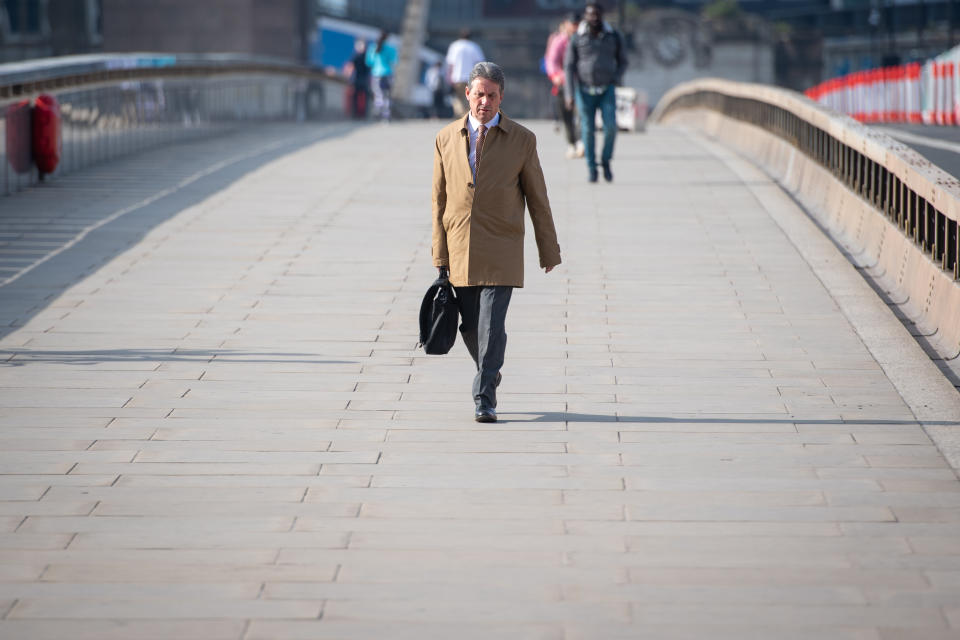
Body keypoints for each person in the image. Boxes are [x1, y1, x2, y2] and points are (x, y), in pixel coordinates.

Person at [431, 61, 562, 423]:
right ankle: (491, 371)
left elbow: (538, 198)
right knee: (471, 327)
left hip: (503, 246)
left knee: (492, 325)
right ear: (467, 95)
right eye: (478, 94)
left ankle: (483, 396)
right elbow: (438, 201)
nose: (484, 102)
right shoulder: (445, 138)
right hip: (460, 245)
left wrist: (548, 249)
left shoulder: (522, 139)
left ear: (501, 97)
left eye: (491, 95)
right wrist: (439, 253)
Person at [564, 2, 627, 182]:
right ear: (586, 16)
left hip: (606, 89)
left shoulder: (613, 36)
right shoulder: (577, 38)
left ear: (602, 15)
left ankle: (606, 161)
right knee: (588, 130)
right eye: (591, 15)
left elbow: (623, 61)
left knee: (610, 127)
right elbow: (568, 67)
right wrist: (569, 94)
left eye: (597, 14)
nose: (594, 18)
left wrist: (616, 77)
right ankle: (592, 168)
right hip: (584, 90)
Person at [545, 12, 583, 159]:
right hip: (564, 83)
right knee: (566, 115)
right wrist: (558, 76)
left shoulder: (584, 39)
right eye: (572, 24)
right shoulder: (559, 41)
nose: (575, 27)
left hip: (581, 82)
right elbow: (552, 61)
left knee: (582, 114)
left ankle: (581, 141)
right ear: (566, 24)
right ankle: (571, 143)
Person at [445, 29, 485, 116]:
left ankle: (461, 114)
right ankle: (467, 115)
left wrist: (449, 77)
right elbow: (479, 64)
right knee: (470, 98)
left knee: (458, 98)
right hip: (471, 78)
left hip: (457, 77)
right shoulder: (474, 46)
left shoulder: (454, 46)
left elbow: (451, 64)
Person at [366, 30, 397, 122]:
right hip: (388, 73)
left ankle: (377, 113)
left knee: (378, 94)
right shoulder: (391, 48)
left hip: (376, 74)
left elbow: (368, 62)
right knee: (387, 95)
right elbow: (394, 61)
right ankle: (386, 115)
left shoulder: (372, 48)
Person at [348, 40, 370, 119]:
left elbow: (350, 67)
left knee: (358, 97)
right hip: (360, 79)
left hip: (360, 79)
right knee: (359, 97)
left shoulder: (356, 56)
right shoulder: (366, 56)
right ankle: (359, 114)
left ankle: (359, 114)